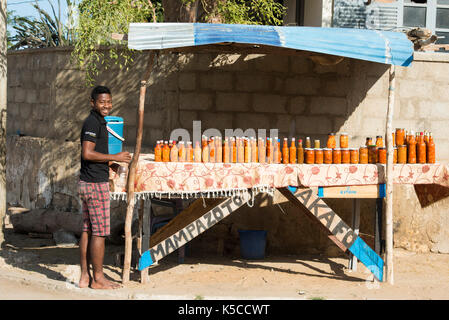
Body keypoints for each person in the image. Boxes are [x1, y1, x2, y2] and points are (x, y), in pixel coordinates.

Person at [78, 85, 131, 289]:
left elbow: (95, 153)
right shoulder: (93, 122)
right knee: (99, 232)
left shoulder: (100, 121)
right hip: (95, 184)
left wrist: (111, 163)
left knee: (87, 230)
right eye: (102, 102)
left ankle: (85, 277)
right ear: (93, 103)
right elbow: (88, 153)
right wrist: (114, 157)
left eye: (108, 101)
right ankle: (98, 278)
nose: (106, 105)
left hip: (86, 182)